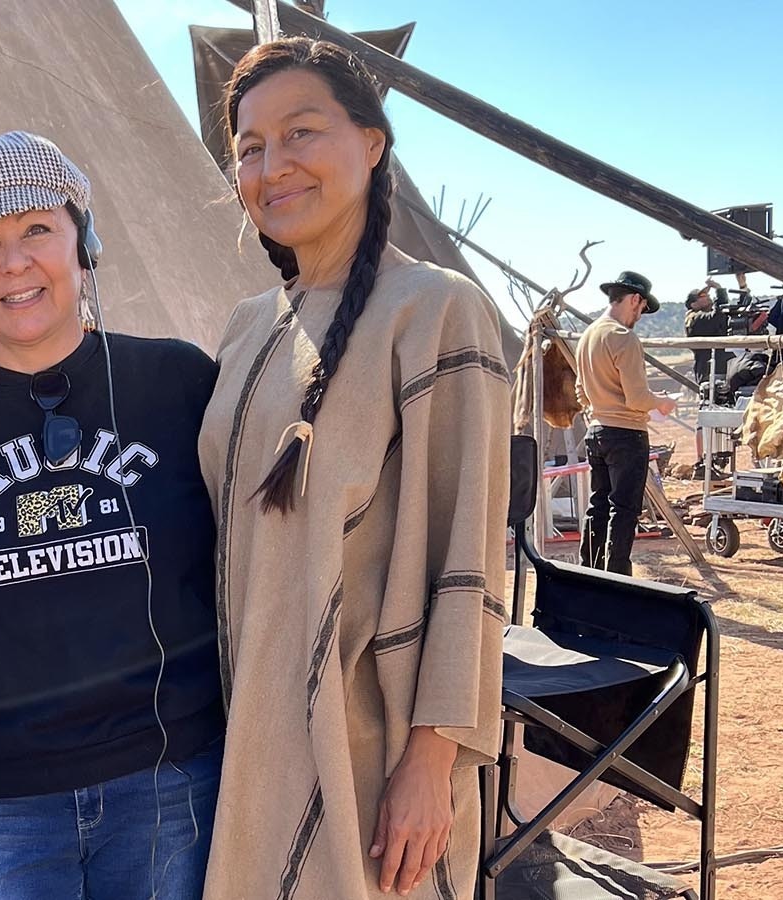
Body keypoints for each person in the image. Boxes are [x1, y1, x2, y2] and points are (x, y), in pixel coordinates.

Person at [197, 39, 510, 899]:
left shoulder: (439, 310)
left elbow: (470, 558)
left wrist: (432, 758)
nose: (274, 165)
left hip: (366, 740)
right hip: (245, 721)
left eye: (303, 132)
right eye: (250, 149)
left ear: (372, 142)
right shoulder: (245, 325)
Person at [0, 131, 225, 900]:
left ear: (84, 243)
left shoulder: (176, 381)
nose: (14, 263)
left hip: (171, 780)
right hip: (4, 798)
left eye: (37, 228)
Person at [574, 270, 676, 575]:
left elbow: (581, 392)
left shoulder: (588, 335)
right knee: (624, 510)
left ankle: (588, 572)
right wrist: (661, 401)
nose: (640, 316)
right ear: (634, 299)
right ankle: (617, 577)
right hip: (627, 434)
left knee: (599, 506)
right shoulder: (623, 337)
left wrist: (603, 406)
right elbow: (636, 399)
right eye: (642, 308)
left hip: (597, 430)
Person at [683, 282, 735, 389]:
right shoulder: (693, 318)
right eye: (702, 295)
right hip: (710, 371)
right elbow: (717, 316)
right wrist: (719, 290)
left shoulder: (704, 317)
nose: (708, 296)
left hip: (719, 368)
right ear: (693, 304)